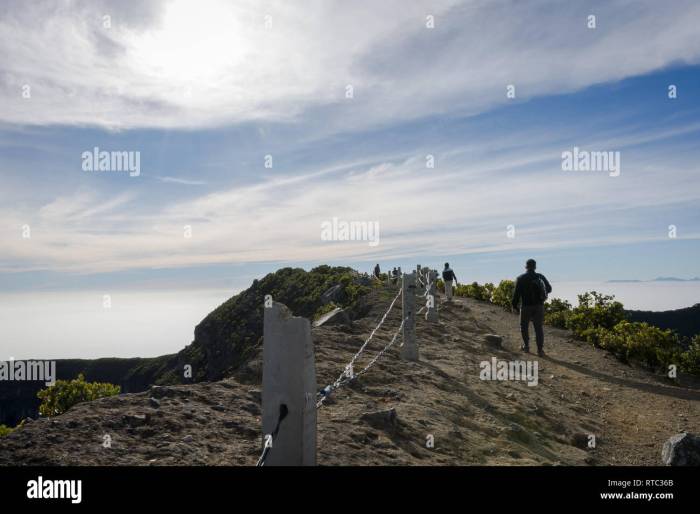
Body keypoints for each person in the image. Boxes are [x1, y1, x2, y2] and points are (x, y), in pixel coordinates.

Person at [511, 259, 552, 356]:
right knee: (538, 328)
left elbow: (516, 294)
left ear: (526, 266)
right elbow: (549, 289)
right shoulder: (540, 276)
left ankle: (526, 347)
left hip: (526, 306)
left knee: (524, 327)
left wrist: (514, 306)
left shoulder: (521, 278)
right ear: (535, 266)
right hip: (539, 306)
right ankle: (540, 351)